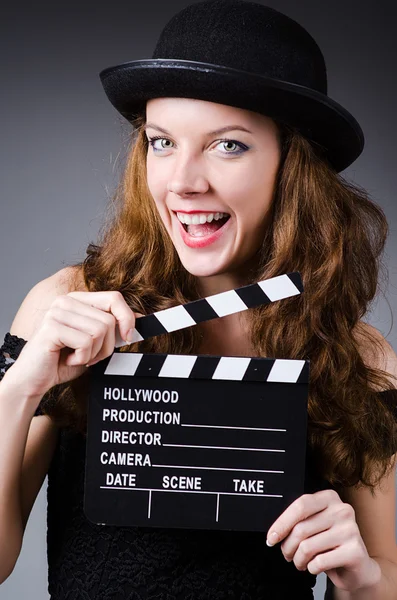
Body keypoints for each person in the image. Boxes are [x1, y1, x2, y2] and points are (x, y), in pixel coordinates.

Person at [1, 0, 397, 598]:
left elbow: (386, 577)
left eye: (228, 145)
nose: (184, 181)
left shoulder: (357, 359)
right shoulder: (71, 305)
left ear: (293, 165)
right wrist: (19, 389)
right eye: (162, 142)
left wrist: (360, 575)